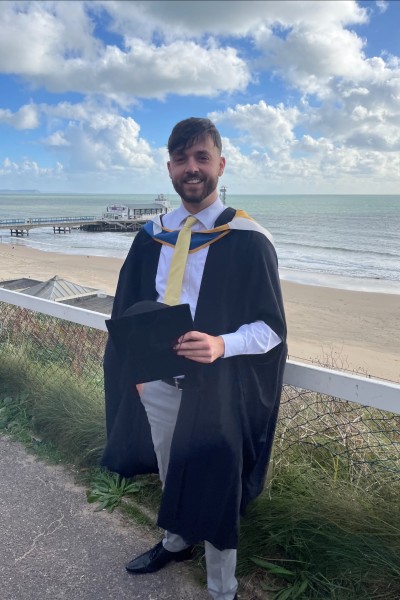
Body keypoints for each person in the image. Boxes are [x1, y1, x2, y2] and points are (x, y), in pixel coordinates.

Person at [101, 117, 287, 600]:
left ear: (220, 165)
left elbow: (271, 331)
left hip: (219, 388)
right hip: (159, 384)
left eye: (201, 157)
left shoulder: (248, 240)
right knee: (170, 468)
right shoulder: (150, 237)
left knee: (217, 485)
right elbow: (127, 312)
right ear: (169, 169)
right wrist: (137, 374)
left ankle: (221, 587)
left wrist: (222, 344)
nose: (192, 168)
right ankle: (175, 541)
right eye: (182, 159)